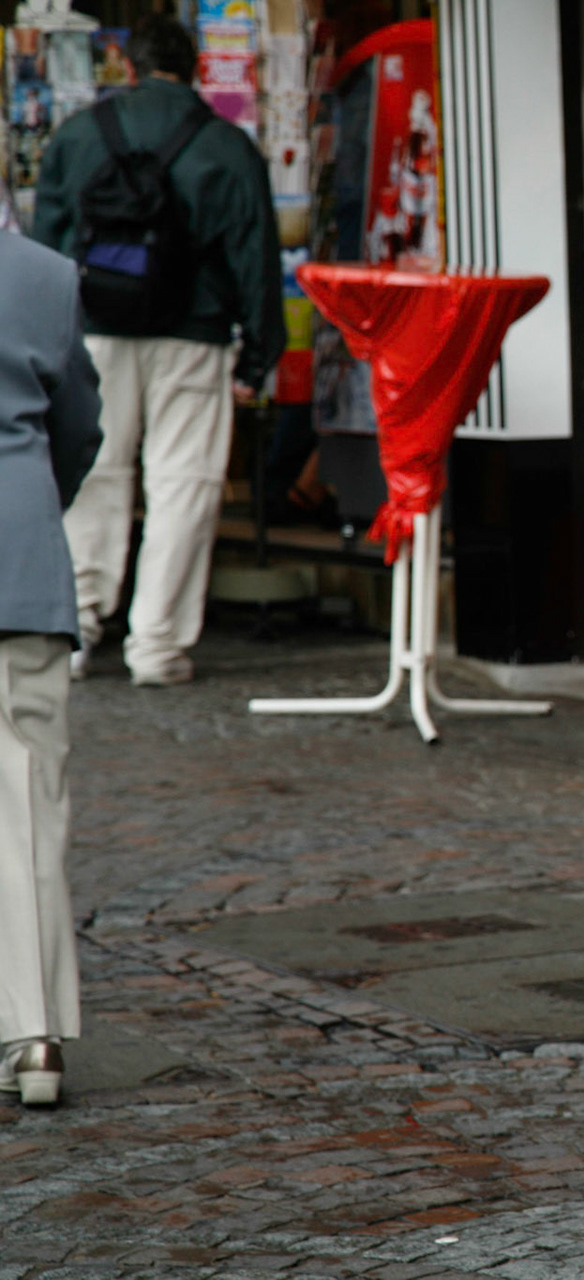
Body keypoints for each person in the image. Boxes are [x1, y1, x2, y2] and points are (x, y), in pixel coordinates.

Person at [32, 14, 285, 686]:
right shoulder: (228, 146)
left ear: (128, 65)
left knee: (93, 473)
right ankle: (157, 645)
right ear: (195, 68)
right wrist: (260, 353)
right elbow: (256, 259)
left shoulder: (77, 135)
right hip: (193, 336)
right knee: (183, 484)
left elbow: (45, 246)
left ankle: (74, 631)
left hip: (93, 332)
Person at [0, 229, 103, 1108]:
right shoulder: (46, 275)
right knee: (30, 804)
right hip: (23, 563)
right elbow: (79, 427)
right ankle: (33, 1035)